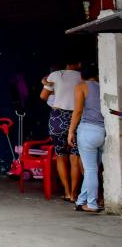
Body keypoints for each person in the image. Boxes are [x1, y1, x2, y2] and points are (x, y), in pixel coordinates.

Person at [41, 58, 83, 203]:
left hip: (57, 118)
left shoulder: (54, 75)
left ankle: (66, 192)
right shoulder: (81, 77)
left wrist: (55, 94)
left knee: (60, 155)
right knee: (75, 156)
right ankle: (74, 194)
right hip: (76, 119)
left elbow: (43, 96)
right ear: (76, 63)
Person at [70, 65, 105, 213]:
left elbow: (78, 110)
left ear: (82, 76)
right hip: (103, 131)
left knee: (90, 170)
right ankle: (81, 200)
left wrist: (71, 131)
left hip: (87, 130)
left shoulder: (81, 86)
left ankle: (91, 204)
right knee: (94, 169)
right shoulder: (103, 86)